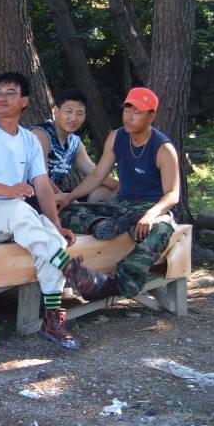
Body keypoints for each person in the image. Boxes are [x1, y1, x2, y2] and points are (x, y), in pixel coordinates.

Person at [0, 72, 111, 351]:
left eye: (10, 93)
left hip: (10, 218)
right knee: (19, 210)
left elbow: (43, 187)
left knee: (55, 240)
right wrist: (9, 190)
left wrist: (56, 224)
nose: (1, 97)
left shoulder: (28, 140)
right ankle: (76, 272)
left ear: (24, 101)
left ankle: (53, 319)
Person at [57, 87, 180, 300]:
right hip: (121, 207)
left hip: (150, 208)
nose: (129, 117)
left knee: (160, 230)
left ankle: (117, 284)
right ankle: (100, 225)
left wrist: (151, 215)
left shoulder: (163, 148)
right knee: (65, 213)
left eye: (137, 112)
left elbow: (172, 194)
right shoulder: (116, 137)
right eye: (127, 110)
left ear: (152, 116)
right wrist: (68, 197)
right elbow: (97, 176)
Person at [30, 89, 118, 204]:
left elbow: (95, 174)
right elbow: (40, 176)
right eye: (69, 111)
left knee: (106, 191)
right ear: (56, 112)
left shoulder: (75, 143)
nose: (73, 118)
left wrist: (119, 186)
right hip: (31, 196)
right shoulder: (41, 135)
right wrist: (68, 200)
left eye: (79, 114)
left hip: (58, 197)